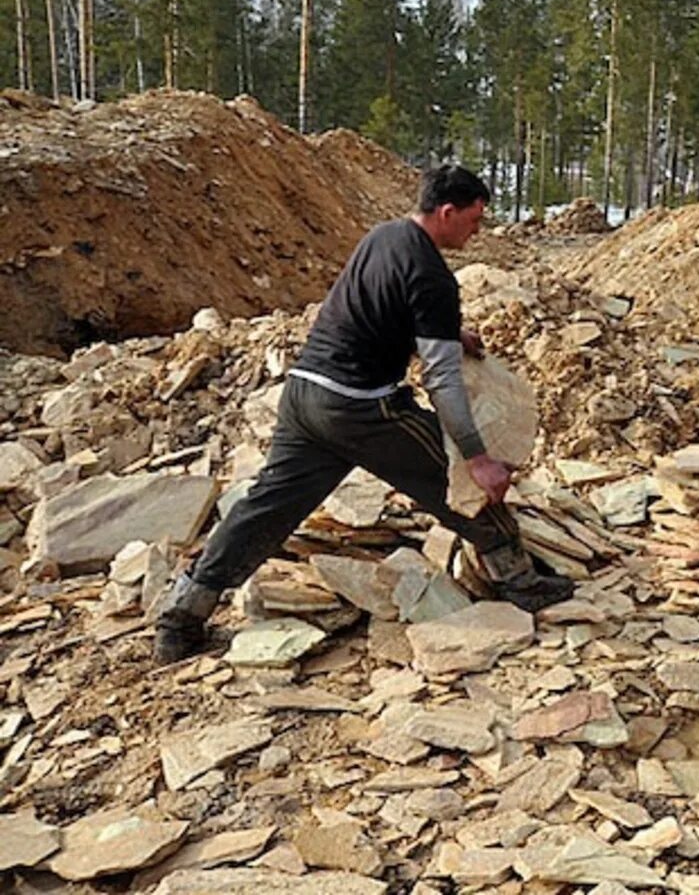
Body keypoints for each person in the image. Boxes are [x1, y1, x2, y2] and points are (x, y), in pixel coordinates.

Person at [153, 165, 573, 663]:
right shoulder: (435, 277)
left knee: (265, 507)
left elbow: (377, 305)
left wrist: (449, 334)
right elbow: (442, 379)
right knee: (459, 480)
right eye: (475, 219)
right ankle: (521, 582)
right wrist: (478, 457)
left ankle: (181, 617)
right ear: (447, 212)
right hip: (359, 408)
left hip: (304, 395)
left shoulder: (384, 236)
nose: (478, 231)